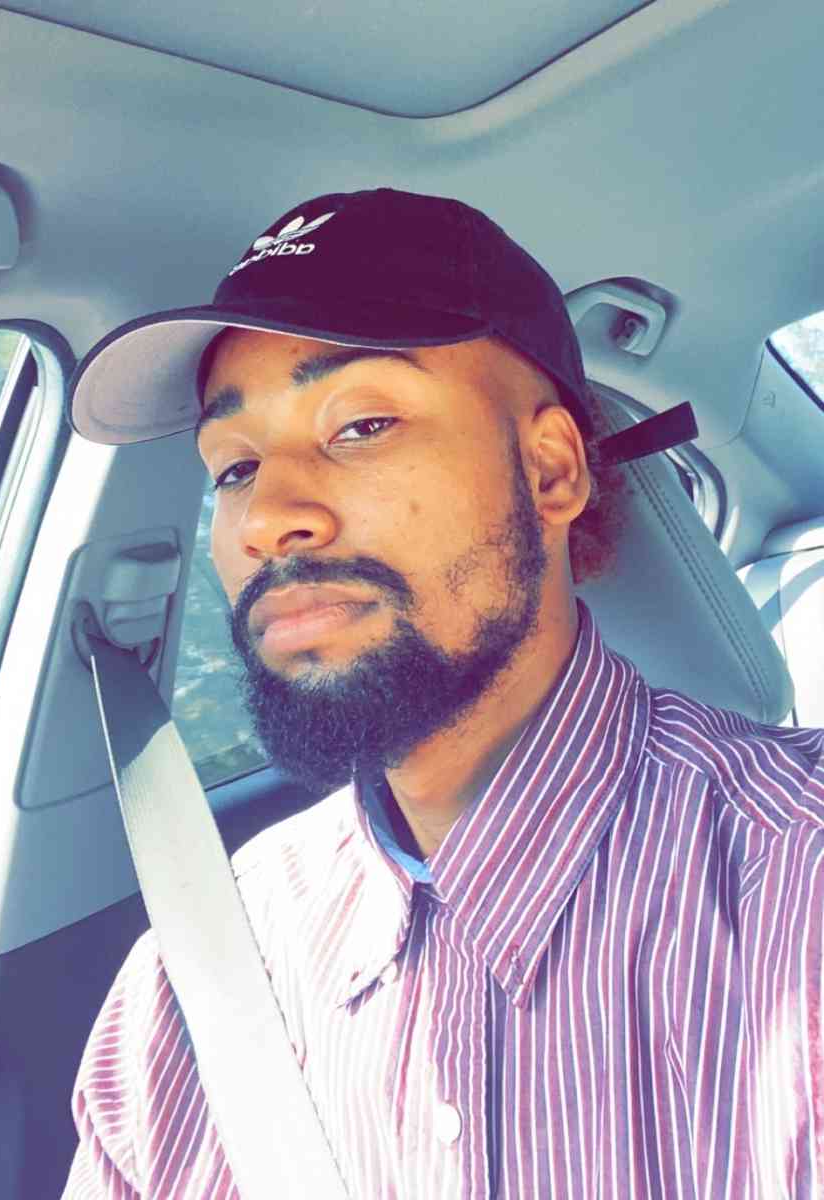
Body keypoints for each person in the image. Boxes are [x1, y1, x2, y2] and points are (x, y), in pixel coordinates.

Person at [63, 188, 824, 1198]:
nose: (267, 518)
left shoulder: (794, 887)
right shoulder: (193, 982)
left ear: (550, 471)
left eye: (363, 424)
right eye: (233, 468)